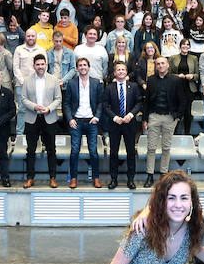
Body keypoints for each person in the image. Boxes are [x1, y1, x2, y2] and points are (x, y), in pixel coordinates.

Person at [21, 54, 62, 188]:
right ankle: (30, 178)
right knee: (30, 150)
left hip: (49, 118)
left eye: (42, 64)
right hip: (32, 118)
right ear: (34, 66)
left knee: (51, 150)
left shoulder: (53, 80)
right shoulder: (27, 80)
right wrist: (34, 106)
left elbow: (58, 98)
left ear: (46, 65)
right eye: (37, 64)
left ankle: (52, 178)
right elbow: (23, 98)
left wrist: (49, 109)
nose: (40, 67)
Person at [102, 61, 142, 190]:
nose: (120, 71)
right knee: (113, 152)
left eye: (123, 69)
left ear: (126, 72)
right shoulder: (109, 88)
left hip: (129, 123)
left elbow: (139, 103)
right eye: (118, 70)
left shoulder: (133, 86)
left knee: (131, 152)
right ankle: (113, 179)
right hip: (115, 124)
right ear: (114, 73)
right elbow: (105, 105)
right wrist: (114, 117)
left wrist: (130, 115)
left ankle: (131, 180)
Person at [64, 57, 102, 189]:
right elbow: (66, 104)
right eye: (80, 65)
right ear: (77, 68)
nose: (82, 67)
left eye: (85, 65)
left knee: (93, 151)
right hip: (76, 122)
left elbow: (100, 103)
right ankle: (74, 178)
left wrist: (97, 117)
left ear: (89, 67)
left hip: (92, 121)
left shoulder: (96, 83)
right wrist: (70, 119)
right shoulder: (72, 83)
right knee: (74, 151)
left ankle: (96, 178)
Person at [144, 55, 184, 180]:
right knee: (151, 148)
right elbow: (146, 101)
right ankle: (150, 175)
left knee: (166, 148)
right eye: (158, 64)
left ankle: (163, 174)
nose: (160, 65)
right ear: (156, 66)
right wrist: (145, 118)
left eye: (163, 63)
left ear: (168, 65)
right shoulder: (151, 80)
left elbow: (182, 100)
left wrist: (177, 116)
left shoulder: (176, 80)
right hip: (154, 116)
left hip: (169, 118)